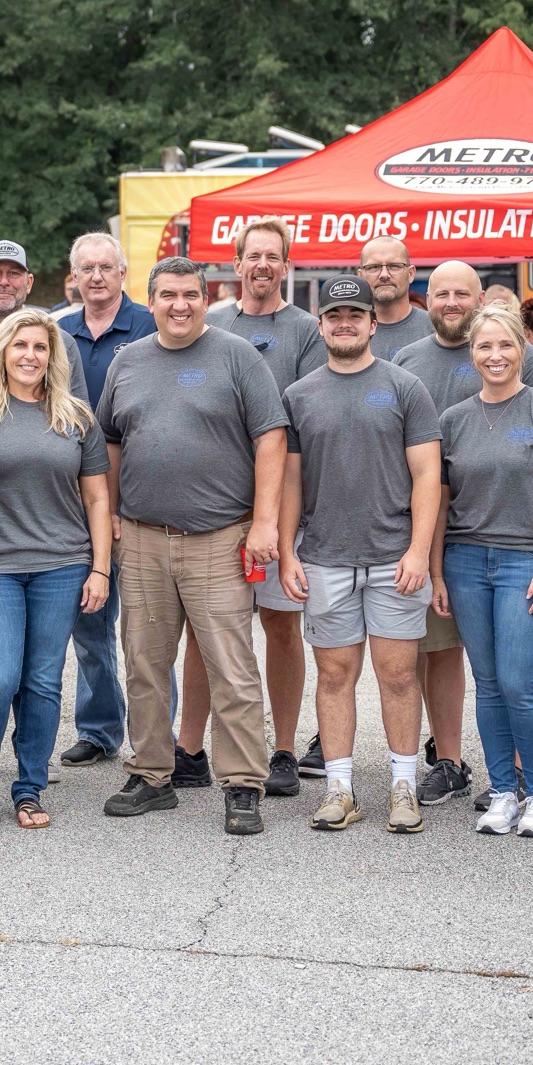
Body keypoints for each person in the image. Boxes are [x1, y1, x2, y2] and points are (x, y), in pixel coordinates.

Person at [96, 257, 283, 835]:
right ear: (149, 301)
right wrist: (114, 519)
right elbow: (109, 443)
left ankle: (243, 783)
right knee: (145, 665)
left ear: (207, 299)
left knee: (232, 667)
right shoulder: (128, 361)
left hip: (220, 538)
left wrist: (265, 523)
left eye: (191, 295)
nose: (180, 305)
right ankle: (152, 774)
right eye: (168, 295)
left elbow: (271, 438)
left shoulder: (236, 356)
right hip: (145, 538)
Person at [392, 260, 533, 806]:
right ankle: (450, 760)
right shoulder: (409, 358)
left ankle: (515, 776)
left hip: (513, 538)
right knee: (437, 653)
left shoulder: (519, 355)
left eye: (461, 293)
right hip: (440, 534)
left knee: (510, 674)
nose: (450, 302)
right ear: (428, 297)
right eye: (440, 293)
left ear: (479, 297)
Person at [281, 276, 441, 834]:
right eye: (334, 315)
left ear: (374, 323)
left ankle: (403, 785)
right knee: (334, 673)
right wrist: (287, 551)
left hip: (394, 557)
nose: (344, 323)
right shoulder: (299, 395)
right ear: (320, 325)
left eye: (355, 314)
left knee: (398, 675)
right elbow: (292, 484)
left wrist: (420, 551)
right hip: (324, 557)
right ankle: (340, 789)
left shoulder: (405, 388)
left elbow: (427, 476)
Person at [0, 310, 111, 829]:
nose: (30, 356)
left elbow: (98, 499)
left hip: (62, 565)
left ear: (52, 356)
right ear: (1, 352)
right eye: (20, 346)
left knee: (41, 682)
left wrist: (100, 569)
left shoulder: (76, 416)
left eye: (40, 347)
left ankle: (29, 787)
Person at [431, 304, 533, 837]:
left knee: (521, 683)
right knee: (489, 684)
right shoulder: (452, 420)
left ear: (523, 348)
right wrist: (436, 574)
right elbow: (442, 506)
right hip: (466, 561)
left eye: (505, 345)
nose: (495, 356)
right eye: (484, 347)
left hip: (527, 561)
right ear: (471, 353)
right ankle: (502, 792)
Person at [198, 216, 324, 795]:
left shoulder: (305, 331)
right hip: (214, 505)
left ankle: (282, 749)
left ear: (286, 265)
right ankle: (188, 747)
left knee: (279, 624)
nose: (263, 266)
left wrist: (273, 516)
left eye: (274, 257)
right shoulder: (212, 323)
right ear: (236, 261)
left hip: (279, 505)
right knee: (205, 630)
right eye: (254, 256)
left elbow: (300, 428)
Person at [55, 232, 156, 767]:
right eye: (86, 268)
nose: (96, 277)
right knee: (90, 625)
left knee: (146, 633)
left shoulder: (150, 325)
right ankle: (98, 728)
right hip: (70, 500)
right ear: (74, 277)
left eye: (106, 267)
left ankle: (155, 739)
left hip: (137, 498)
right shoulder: (53, 332)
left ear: (123, 272)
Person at [0, 241, 87, 399]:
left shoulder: (60, 343)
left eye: (14, 273)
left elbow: (78, 416)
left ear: (29, 283)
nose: (4, 282)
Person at [359, 236, 429, 359]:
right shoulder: (347, 332)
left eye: (394, 266)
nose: (384, 275)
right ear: (361, 276)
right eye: (374, 267)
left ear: (411, 273)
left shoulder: (435, 328)